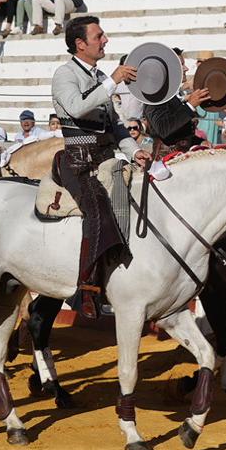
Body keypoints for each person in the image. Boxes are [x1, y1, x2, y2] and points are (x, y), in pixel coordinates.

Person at [52, 16, 148, 312]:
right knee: (98, 211)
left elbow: (117, 126)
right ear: (81, 44)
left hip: (106, 161)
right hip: (78, 163)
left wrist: (134, 152)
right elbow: (78, 107)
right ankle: (88, 288)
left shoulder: (98, 77)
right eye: (99, 36)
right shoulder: (65, 74)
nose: (104, 40)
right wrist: (113, 80)